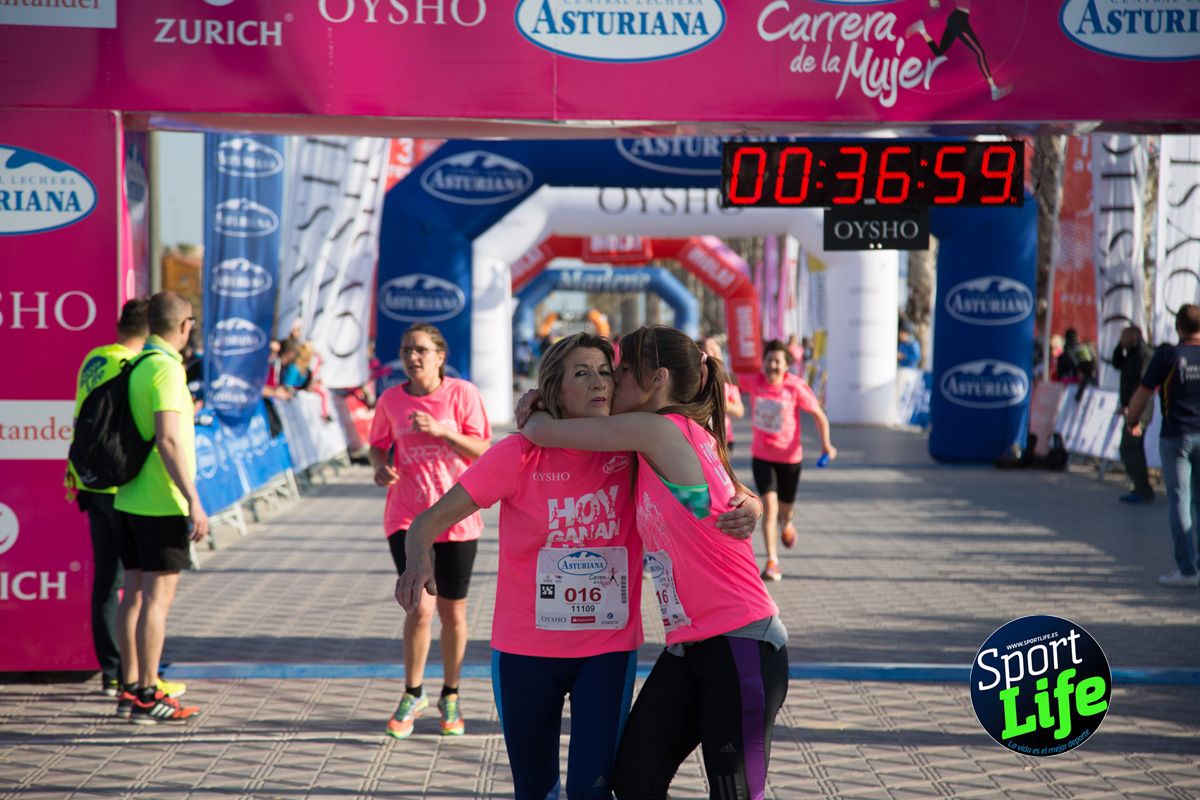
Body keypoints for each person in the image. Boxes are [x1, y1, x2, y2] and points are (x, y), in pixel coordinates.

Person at [396, 332, 760, 798]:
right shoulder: (519, 453)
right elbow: (426, 522)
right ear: (554, 386)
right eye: (582, 373)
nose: (599, 383)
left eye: (607, 372)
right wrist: (416, 560)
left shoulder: (633, 448)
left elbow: (707, 478)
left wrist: (750, 503)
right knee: (536, 790)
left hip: (605, 652)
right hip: (525, 652)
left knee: (591, 791)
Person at [516, 325, 788, 800]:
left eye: (620, 371)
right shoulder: (671, 436)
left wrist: (537, 406)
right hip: (689, 648)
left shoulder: (657, 430)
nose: (611, 382)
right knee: (635, 779)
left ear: (657, 379)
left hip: (742, 641)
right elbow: (724, 497)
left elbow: (547, 432)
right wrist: (753, 504)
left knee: (734, 792)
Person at [368, 323, 492, 739]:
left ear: (440, 356)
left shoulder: (463, 394)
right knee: (418, 607)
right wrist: (379, 467)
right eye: (406, 350)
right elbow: (377, 444)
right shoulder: (390, 399)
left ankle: (451, 695)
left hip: (457, 516)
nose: (412, 357)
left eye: (421, 350)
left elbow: (485, 451)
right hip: (405, 517)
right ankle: (413, 692)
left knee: (452, 612)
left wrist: (443, 431)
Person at [113, 291, 206, 724]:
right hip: (160, 500)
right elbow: (168, 440)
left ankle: (130, 688)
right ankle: (150, 694)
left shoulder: (135, 364)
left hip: (128, 496)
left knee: (132, 595)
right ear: (184, 326)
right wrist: (194, 500)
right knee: (157, 601)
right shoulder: (166, 370)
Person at [66, 297, 149, 698]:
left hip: (89, 480)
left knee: (106, 578)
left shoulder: (93, 358)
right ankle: (127, 671)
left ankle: (112, 670)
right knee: (130, 582)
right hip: (121, 483)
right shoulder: (131, 366)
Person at [741, 340, 836, 581]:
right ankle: (772, 561)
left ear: (786, 366)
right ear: (763, 363)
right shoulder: (755, 381)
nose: (772, 366)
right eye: (769, 360)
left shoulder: (794, 387)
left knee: (786, 509)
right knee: (770, 507)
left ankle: (788, 524)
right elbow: (728, 379)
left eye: (778, 362)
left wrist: (827, 444)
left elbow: (818, 415)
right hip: (762, 457)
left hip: (790, 458)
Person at [1126, 304, 1200, 587]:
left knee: (1180, 502)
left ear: (1178, 327)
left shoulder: (1169, 355)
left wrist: (1132, 420)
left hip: (1176, 437)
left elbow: (1142, 393)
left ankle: (1187, 570)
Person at [905, 0, 1011, 101]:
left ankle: (922, 30)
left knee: (939, 51)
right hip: (959, 20)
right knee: (980, 53)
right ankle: (994, 89)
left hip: (956, 19)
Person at [1113, 326, 1155, 504]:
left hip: (1139, 410)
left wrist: (1132, 407)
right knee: (1133, 449)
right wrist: (1119, 345)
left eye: (1124, 336)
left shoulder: (1143, 355)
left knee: (1129, 447)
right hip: (1132, 408)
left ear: (1134, 336)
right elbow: (1116, 363)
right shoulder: (1129, 353)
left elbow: (1142, 385)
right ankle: (1141, 487)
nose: (1122, 340)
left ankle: (1143, 490)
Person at [700, 336, 744, 452]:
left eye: (715, 351)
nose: (711, 354)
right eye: (707, 350)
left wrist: (722, 403)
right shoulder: (694, 379)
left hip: (723, 439)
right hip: (700, 438)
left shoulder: (727, 380)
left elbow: (740, 411)